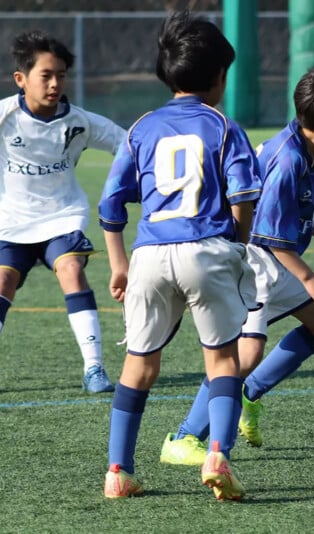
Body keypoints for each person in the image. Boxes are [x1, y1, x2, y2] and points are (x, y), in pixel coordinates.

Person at [159, 64, 314, 465]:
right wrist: (309, 277)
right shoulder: (290, 159)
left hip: (273, 259)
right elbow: (267, 234)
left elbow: (275, 212)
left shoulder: (312, 145)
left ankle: (249, 393)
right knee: (242, 357)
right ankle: (183, 438)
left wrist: (311, 224)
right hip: (253, 263)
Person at [98, 11, 261, 500]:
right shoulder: (224, 127)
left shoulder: (142, 127)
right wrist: (237, 240)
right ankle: (217, 456)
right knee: (223, 361)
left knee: (139, 365)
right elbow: (245, 195)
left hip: (149, 255)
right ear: (218, 77)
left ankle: (118, 471)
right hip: (206, 249)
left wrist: (119, 263)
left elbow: (110, 204)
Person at [0, 30, 127, 393]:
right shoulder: (5, 117)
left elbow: (128, 144)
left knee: (71, 268)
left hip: (62, 217)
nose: (55, 83)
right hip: (11, 221)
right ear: (21, 79)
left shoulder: (79, 122)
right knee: (2, 282)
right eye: (46, 75)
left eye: (61, 75)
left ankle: (95, 370)